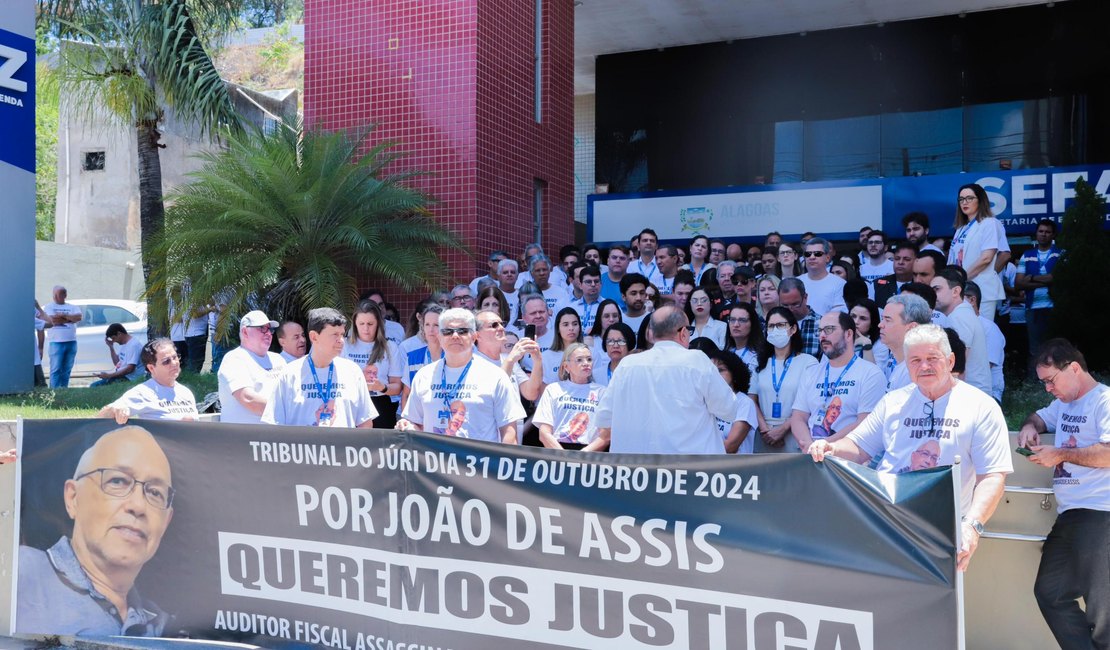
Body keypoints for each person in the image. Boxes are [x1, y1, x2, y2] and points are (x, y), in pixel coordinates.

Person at [809, 324, 1013, 572]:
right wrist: (830, 448)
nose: (924, 366)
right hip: (888, 523)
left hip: (944, 531)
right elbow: (858, 446)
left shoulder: (981, 406)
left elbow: (992, 476)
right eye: (915, 360)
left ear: (950, 361)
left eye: (932, 358)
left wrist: (972, 527)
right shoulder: (893, 401)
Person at [17, 426, 175, 634]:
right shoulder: (17, 572)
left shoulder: (167, 628)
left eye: (155, 493)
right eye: (117, 481)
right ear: (73, 498)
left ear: (165, 522)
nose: (138, 506)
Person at [1016, 339, 1110, 650]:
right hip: (1070, 513)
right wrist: (1029, 426)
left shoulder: (1104, 401)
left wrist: (1060, 454)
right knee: (1050, 592)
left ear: (1073, 368)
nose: (1047, 389)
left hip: (1101, 512)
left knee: (1102, 612)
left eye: (1050, 380)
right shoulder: (1064, 404)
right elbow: (1039, 417)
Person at [589, 306, 736, 454]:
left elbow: (603, 418)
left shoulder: (627, 364)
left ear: (652, 334)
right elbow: (729, 409)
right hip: (687, 468)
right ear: (684, 332)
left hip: (637, 468)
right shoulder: (697, 361)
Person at [398, 308, 525, 443]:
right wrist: (408, 426)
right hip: (435, 461)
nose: (455, 336)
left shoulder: (495, 376)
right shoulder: (423, 376)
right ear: (440, 338)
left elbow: (509, 432)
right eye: (447, 332)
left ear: (474, 337)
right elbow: (416, 423)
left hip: (479, 462)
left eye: (462, 331)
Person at [263, 308, 377, 428]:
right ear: (314, 337)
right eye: (335, 335)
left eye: (342, 334)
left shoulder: (352, 372)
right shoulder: (289, 374)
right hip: (303, 446)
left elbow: (365, 422)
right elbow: (273, 425)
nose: (341, 341)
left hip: (342, 446)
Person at [790, 311, 885, 451]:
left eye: (829, 329)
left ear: (848, 334)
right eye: (820, 330)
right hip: (809, 455)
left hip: (846, 460)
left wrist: (826, 445)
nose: (822, 335)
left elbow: (865, 422)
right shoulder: (811, 372)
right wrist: (809, 445)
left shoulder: (871, 373)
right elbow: (798, 417)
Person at [750, 307, 818, 453]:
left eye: (780, 325)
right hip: (764, 434)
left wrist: (783, 428)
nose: (775, 330)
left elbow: (809, 403)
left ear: (793, 329)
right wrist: (764, 429)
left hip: (795, 431)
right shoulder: (758, 361)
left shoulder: (809, 362)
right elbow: (751, 400)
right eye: (771, 326)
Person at [98, 339, 198, 422]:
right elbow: (102, 417)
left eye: (175, 357)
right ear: (151, 368)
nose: (174, 363)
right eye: (166, 361)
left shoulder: (186, 392)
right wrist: (116, 409)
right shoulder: (144, 392)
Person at [949, 183, 1007, 320]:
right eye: (961, 199)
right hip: (961, 289)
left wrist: (961, 279)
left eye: (969, 198)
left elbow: (986, 258)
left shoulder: (989, 223)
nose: (965, 202)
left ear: (980, 200)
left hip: (981, 290)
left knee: (982, 333)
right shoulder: (961, 228)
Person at [217, 310, 286, 424]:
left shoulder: (278, 360)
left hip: (275, 437)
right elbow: (248, 399)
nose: (268, 333)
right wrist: (286, 410)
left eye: (270, 329)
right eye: (262, 328)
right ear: (245, 332)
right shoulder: (234, 359)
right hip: (245, 438)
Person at [930, 268, 992, 396]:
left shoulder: (959, 316)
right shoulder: (961, 314)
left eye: (937, 289)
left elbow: (958, 364)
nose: (933, 294)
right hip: (972, 393)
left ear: (956, 291)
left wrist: (952, 397)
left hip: (970, 395)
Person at [341, 301, 402, 428]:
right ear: (354, 323)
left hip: (381, 404)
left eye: (370, 324)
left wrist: (382, 387)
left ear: (378, 323)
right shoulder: (344, 346)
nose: (365, 329)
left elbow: (397, 387)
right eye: (361, 324)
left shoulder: (390, 347)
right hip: (351, 403)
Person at [534, 343, 605, 450]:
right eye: (579, 360)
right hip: (557, 451)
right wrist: (564, 457)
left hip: (590, 453)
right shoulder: (553, 389)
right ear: (566, 366)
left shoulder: (602, 392)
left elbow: (605, 435)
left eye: (589, 359)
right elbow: (544, 433)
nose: (586, 363)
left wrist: (583, 455)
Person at [1016, 218, 1061, 363]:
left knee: (1056, 349)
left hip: (1055, 308)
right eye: (1041, 231)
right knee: (1035, 349)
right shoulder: (1027, 255)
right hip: (1033, 308)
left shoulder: (1061, 253)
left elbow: (1057, 278)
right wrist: (1046, 281)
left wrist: (1032, 278)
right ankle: (1035, 383)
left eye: (1048, 232)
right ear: (1036, 234)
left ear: (1053, 235)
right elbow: (1018, 284)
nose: (1044, 234)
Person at [474, 309, 542, 402]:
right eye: (494, 325)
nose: (501, 328)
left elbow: (530, 394)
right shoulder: (472, 363)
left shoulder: (508, 359)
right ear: (477, 335)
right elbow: (493, 392)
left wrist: (537, 361)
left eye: (502, 324)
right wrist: (511, 359)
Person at [707, 349, 759, 454]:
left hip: (736, 468)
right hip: (706, 467)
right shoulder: (706, 401)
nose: (714, 374)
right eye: (711, 370)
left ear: (734, 374)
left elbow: (730, 447)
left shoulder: (744, 403)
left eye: (720, 370)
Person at [878, 293, 932, 390]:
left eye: (888, 320)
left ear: (912, 328)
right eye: (882, 319)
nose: (880, 325)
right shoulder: (904, 366)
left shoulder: (917, 370)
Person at [963, 282, 1006, 403]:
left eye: (959, 298)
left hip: (987, 395)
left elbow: (986, 366)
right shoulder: (957, 323)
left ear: (972, 300)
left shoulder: (989, 328)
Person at [400, 304, 444, 410]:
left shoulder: (452, 357)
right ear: (422, 327)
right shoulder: (413, 357)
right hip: (418, 418)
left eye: (436, 325)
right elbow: (406, 395)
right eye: (427, 324)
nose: (431, 329)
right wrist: (408, 421)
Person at [43, 285, 83, 388]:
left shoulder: (73, 307)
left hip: (71, 342)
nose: (55, 297)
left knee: (67, 369)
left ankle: (64, 389)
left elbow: (78, 317)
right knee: (55, 369)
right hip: (56, 342)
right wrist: (70, 319)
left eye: (58, 294)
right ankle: (54, 391)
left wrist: (63, 316)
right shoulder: (49, 307)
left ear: (65, 295)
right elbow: (52, 320)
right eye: (54, 295)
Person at [799, 238, 847, 316]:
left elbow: (840, 314)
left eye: (817, 253)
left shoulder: (840, 284)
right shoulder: (796, 282)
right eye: (808, 254)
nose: (812, 257)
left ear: (827, 257)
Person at [778, 277, 821, 358]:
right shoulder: (774, 324)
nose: (790, 309)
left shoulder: (820, 324)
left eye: (795, 304)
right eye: (785, 305)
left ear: (805, 297)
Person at [542, 308, 584, 384]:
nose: (571, 328)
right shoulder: (546, 357)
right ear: (558, 328)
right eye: (566, 325)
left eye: (575, 324)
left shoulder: (591, 353)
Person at [872, 241, 917, 307]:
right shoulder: (877, 284)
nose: (900, 262)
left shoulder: (921, 285)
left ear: (916, 261)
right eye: (897, 259)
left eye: (906, 259)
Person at [723, 302, 762, 378]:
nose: (736, 325)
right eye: (732, 319)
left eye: (742, 320)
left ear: (752, 324)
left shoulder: (759, 355)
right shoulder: (726, 352)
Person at [594, 322, 635, 387]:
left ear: (629, 344)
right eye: (610, 341)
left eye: (621, 341)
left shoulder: (636, 373)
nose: (615, 346)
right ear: (605, 345)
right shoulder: (595, 375)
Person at [584, 299, 622, 364]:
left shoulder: (626, 341)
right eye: (607, 316)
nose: (611, 319)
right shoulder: (589, 342)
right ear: (600, 319)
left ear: (619, 317)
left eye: (615, 316)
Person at [849, 299, 886, 366]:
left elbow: (874, 374)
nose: (856, 322)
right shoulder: (838, 337)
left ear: (872, 323)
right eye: (853, 316)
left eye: (863, 318)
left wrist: (867, 346)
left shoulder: (881, 344)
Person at [858, 230, 893, 296]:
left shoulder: (893, 268)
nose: (873, 245)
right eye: (870, 242)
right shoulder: (860, 269)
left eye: (877, 242)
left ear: (885, 247)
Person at [571, 264, 603, 332]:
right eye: (588, 282)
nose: (593, 284)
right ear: (580, 285)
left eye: (596, 281)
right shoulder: (572, 308)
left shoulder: (608, 307)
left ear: (601, 284)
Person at [495, 259, 522, 323]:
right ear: (498, 276)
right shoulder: (493, 294)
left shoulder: (522, 294)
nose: (509, 274)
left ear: (517, 275)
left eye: (512, 272)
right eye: (505, 272)